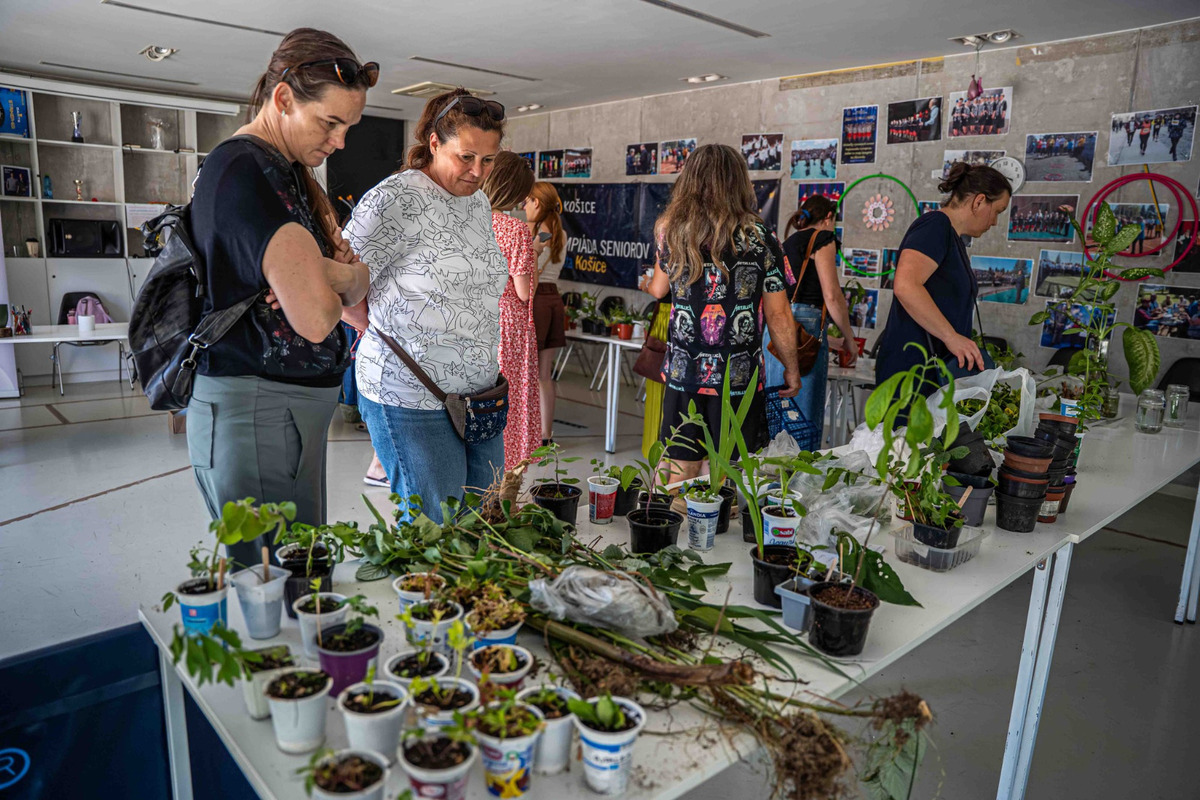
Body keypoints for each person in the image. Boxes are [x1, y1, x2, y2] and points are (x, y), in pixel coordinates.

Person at [186, 28, 373, 568]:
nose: (339, 142)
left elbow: (356, 283)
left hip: (279, 411)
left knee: (300, 567)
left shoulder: (283, 171)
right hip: (259, 410)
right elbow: (317, 318)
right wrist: (336, 277)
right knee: (273, 577)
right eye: (330, 122)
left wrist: (331, 275)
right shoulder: (248, 172)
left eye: (347, 126)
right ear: (284, 98)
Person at [345, 88, 508, 522]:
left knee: (484, 519)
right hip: (410, 393)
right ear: (434, 143)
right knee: (435, 526)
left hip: (480, 393)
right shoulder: (393, 200)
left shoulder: (479, 202)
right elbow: (339, 285)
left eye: (488, 160)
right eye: (466, 157)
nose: (477, 171)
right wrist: (382, 328)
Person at [641, 144, 800, 482]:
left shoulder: (670, 231)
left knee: (677, 468)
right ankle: (711, 528)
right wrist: (791, 368)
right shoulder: (760, 237)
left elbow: (658, 288)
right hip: (738, 378)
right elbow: (779, 314)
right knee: (725, 473)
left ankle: (668, 528)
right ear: (739, 182)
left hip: (684, 373)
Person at [875, 163, 1012, 387]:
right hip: (913, 371)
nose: (995, 222)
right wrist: (951, 337)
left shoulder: (953, 238)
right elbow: (906, 285)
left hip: (933, 370)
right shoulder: (935, 226)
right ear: (978, 201)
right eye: (997, 211)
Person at [762, 195, 857, 448]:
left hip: (776, 327)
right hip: (805, 322)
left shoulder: (788, 241)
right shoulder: (822, 238)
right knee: (803, 421)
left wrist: (830, 339)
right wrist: (849, 339)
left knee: (779, 412)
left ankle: (774, 482)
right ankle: (799, 482)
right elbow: (832, 296)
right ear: (828, 218)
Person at [482, 151, 540, 470]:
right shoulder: (516, 230)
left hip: (477, 321)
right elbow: (523, 291)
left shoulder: (469, 220)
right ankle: (507, 474)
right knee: (511, 401)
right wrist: (533, 258)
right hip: (510, 325)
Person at [523, 182, 567, 445]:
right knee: (545, 373)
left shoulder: (541, 234)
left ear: (537, 203)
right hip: (555, 300)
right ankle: (545, 434)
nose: (524, 207)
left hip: (538, 300)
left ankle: (528, 431)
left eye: (527, 201)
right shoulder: (562, 232)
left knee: (530, 372)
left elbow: (533, 277)